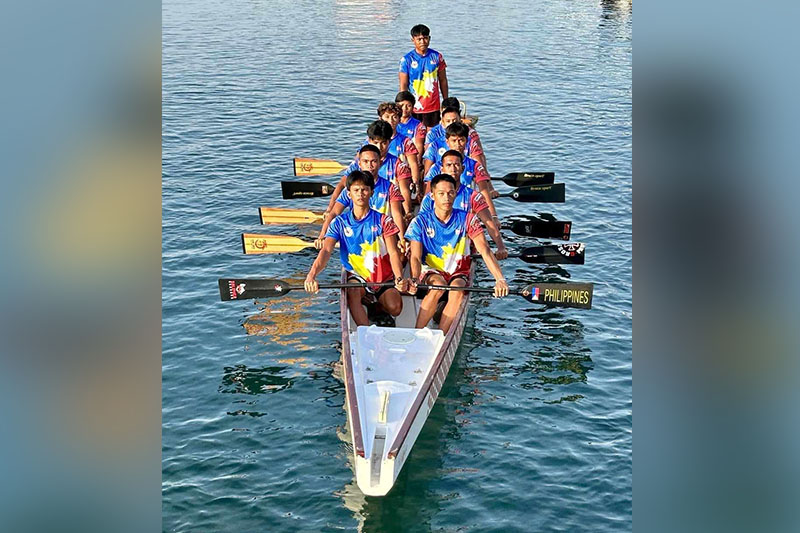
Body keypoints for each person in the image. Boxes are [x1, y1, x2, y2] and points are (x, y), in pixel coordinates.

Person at [406, 174, 508, 333]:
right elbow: (415, 256)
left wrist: (499, 279)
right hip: (432, 270)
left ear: (456, 194)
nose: (447, 198)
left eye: (451, 193)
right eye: (441, 194)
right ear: (432, 196)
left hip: (458, 271)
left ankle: (441, 335)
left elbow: (484, 250)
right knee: (438, 286)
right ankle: (415, 332)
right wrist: (413, 279)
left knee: (458, 289)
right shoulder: (420, 221)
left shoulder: (468, 219)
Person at [305, 170, 408, 326]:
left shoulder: (384, 220)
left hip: (382, 277)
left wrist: (399, 277)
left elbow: (393, 253)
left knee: (396, 309)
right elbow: (326, 251)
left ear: (371, 192)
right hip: (357, 276)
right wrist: (311, 276)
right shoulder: (339, 223)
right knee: (353, 291)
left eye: (365, 189)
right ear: (349, 194)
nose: (361, 194)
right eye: (356, 190)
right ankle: (365, 331)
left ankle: (375, 304)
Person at [315, 145, 407, 248]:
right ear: (359, 164)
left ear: (380, 163)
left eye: (374, 161)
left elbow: (396, 214)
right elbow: (335, 212)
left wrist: (402, 238)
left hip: (383, 236)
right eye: (365, 162)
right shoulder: (350, 190)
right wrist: (322, 235)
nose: (370, 166)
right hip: (358, 236)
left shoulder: (391, 188)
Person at [419, 157, 508, 260]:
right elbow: (422, 224)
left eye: (456, 165)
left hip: (463, 243)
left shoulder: (472, 196)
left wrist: (501, 247)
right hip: (436, 243)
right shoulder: (429, 198)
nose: (453, 169)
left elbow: (488, 223)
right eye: (449, 165)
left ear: (463, 168)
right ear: (442, 169)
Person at [323, 120, 414, 220]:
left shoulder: (398, 165)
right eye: (376, 143)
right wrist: (329, 209)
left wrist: (408, 212)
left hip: (388, 211)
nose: (380, 147)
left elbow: (404, 189)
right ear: (369, 141)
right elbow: (341, 185)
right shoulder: (358, 164)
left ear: (390, 141)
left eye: (383, 143)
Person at [424, 128, 500, 220]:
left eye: (461, 140)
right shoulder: (436, 167)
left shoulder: (475, 165)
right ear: (447, 142)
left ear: (466, 142)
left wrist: (493, 216)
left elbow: (484, 192)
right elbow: (428, 194)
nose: (457, 145)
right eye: (454, 141)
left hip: (467, 208)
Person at [398, 24, 448, 128]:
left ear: (429, 38)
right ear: (413, 40)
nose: (422, 42)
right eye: (419, 39)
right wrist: (403, 106)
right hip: (415, 106)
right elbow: (403, 84)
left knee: (431, 136)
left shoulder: (437, 57)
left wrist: (445, 102)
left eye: (425, 38)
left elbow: (443, 80)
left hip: (433, 106)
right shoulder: (407, 59)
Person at [422, 105, 484, 175]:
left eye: (454, 120)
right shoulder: (435, 145)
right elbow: (427, 172)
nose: (451, 123)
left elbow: (480, 165)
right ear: (442, 122)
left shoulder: (471, 142)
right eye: (448, 121)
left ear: (460, 121)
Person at [376, 102, 422, 193]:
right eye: (387, 117)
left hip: (400, 182)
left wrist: (415, 182)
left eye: (395, 117)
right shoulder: (371, 141)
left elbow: (413, 164)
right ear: (380, 118)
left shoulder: (406, 142)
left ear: (399, 119)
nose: (391, 121)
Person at [394, 90, 427, 163]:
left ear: (413, 107)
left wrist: (416, 163)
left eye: (408, 106)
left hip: (409, 158)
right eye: (401, 105)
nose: (404, 109)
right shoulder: (391, 122)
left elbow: (419, 146)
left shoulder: (419, 125)